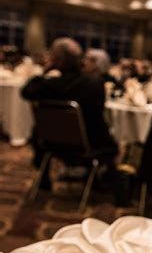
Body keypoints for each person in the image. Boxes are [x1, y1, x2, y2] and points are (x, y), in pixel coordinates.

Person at [21, 38, 117, 185]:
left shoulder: (48, 85)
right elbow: (98, 117)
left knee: (39, 128)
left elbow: (26, 91)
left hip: (51, 144)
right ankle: (99, 179)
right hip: (89, 146)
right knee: (109, 140)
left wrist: (46, 69)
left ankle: (45, 176)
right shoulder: (95, 85)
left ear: (57, 61)